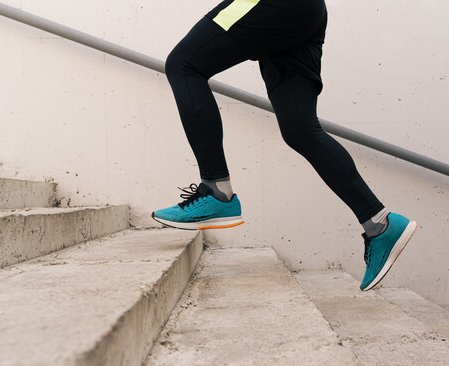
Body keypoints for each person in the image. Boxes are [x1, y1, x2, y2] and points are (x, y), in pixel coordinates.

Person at [151, 0, 417, 291]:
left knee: (184, 64)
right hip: (306, 12)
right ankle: (379, 223)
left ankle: (217, 191)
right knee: (300, 129)